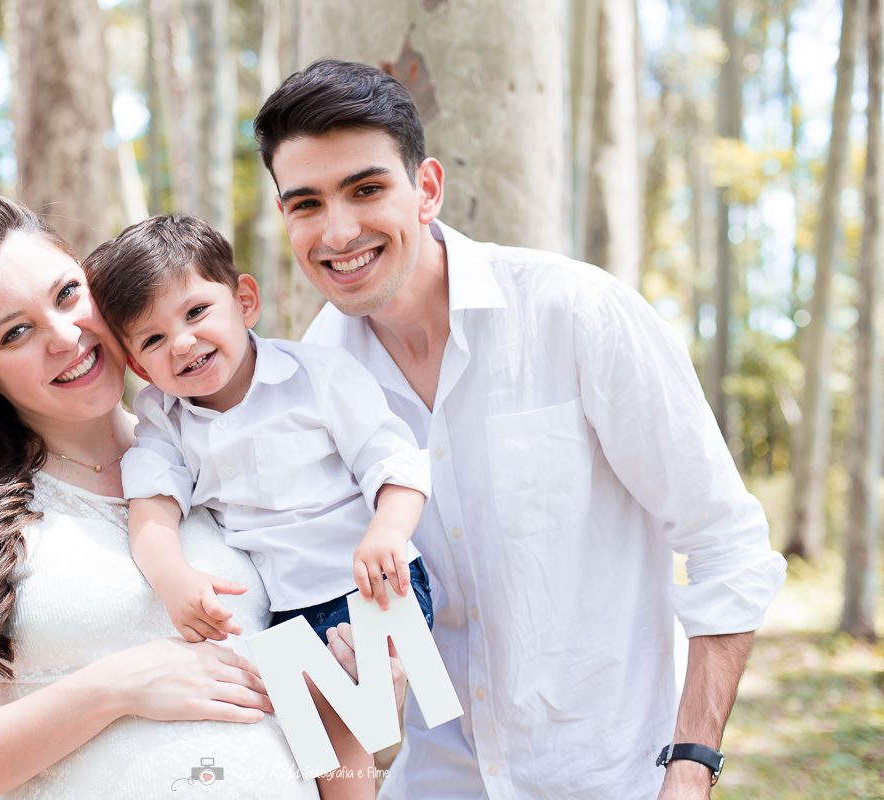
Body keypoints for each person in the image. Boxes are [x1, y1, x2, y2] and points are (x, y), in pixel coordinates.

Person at [253, 60, 788, 800]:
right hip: (435, 783)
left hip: (613, 780)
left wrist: (691, 771)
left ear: (427, 189)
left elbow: (726, 544)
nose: (338, 231)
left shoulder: (576, 313)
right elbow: (308, 595)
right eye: (306, 203)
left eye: (366, 189)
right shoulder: (305, 385)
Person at [0, 193, 325, 799]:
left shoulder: (221, 454)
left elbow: (304, 693)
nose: (65, 337)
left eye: (67, 294)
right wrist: (116, 686)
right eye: (15, 333)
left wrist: (357, 685)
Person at [83, 213, 435, 799]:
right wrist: (172, 577)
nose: (183, 343)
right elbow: (151, 508)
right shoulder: (164, 419)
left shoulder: (316, 376)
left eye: (196, 312)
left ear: (244, 301)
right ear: (139, 367)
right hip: (288, 609)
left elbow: (395, 463)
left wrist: (388, 532)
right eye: (153, 340)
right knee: (309, 735)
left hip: (373, 581)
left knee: (339, 715)